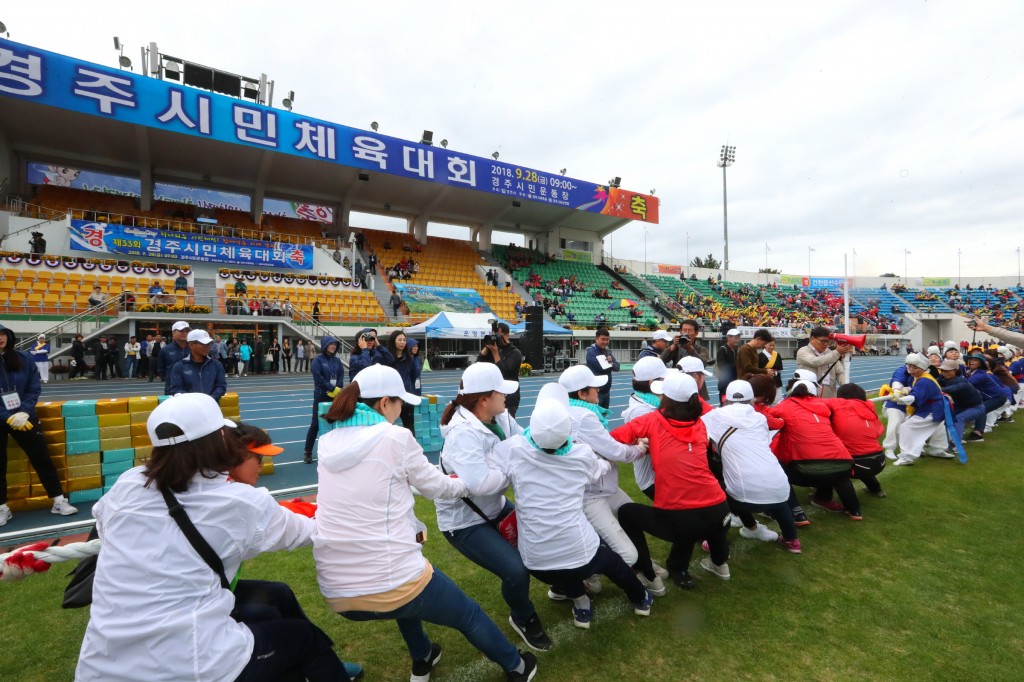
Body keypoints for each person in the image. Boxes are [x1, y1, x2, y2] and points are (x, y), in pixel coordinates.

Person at [75, 393, 350, 682]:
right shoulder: (236, 502)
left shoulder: (128, 484)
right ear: (218, 440)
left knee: (275, 595)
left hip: (101, 665)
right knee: (303, 639)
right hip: (190, 664)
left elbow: (104, 524)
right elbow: (309, 532)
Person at [316, 364, 539, 680]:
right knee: (468, 614)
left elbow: (373, 493)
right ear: (384, 403)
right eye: (399, 403)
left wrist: (412, 521)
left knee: (402, 602)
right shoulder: (395, 437)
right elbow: (437, 486)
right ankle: (517, 666)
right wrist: (465, 484)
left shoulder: (329, 442)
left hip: (339, 594)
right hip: (392, 578)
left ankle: (423, 656)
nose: (402, 409)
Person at [498, 391, 654, 629]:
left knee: (562, 568)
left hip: (536, 562)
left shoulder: (514, 449)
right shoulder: (581, 454)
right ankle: (640, 598)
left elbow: (488, 465)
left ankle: (581, 602)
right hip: (579, 551)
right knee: (611, 563)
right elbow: (598, 469)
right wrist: (609, 458)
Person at [436, 362, 553, 652]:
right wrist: (514, 467)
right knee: (515, 571)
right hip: (464, 523)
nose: (507, 397)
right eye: (501, 392)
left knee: (542, 540)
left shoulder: (499, 416)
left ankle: (565, 584)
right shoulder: (463, 434)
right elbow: (480, 484)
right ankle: (523, 618)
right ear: (484, 399)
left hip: (494, 506)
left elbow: (523, 440)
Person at [611, 372, 732, 588]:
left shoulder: (652, 420)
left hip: (681, 517)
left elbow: (613, 439)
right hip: (720, 508)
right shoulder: (701, 424)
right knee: (702, 516)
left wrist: (642, 447)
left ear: (665, 399)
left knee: (627, 512)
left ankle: (646, 571)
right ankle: (718, 562)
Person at [557, 366, 653, 595]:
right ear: (581, 393)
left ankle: (643, 567)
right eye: (593, 387)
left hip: (601, 488)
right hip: (592, 494)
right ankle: (576, 577)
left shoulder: (571, 410)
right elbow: (614, 452)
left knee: (632, 517)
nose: (598, 389)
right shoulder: (584, 416)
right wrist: (640, 449)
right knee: (627, 554)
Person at [701, 380, 802, 553]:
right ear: (751, 399)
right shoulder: (760, 418)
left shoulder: (714, 416)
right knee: (777, 500)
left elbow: (701, 437)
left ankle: (714, 541)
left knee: (720, 494)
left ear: (726, 398)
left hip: (743, 490)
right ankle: (792, 540)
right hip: (779, 486)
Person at [0, 324, 78, 526]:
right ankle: (2, 508)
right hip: (1, 418)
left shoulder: (24, 358)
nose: (0, 338)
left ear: (9, 336)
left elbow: (33, 388)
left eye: (2, 334)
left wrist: (25, 411)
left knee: (41, 457)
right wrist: (6, 416)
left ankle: (58, 500)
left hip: (25, 417)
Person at [770, 380, 861, 519]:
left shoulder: (785, 405)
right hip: (843, 465)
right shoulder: (824, 405)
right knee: (835, 469)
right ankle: (854, 510)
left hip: (806, 470)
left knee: (776, 467)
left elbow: (767, 416)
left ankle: (796, 512)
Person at [891, 353, 954, 466]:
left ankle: (907, 456)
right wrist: (906, 390)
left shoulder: (924, 380)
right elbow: (916, 389)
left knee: (906, 427)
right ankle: (936, 448)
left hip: (933, 410)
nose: (911, 370)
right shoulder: (922, 376)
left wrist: (898, 399)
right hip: (936, 408)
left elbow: (915, 397)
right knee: (935, 428)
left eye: (915, 367)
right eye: (909, 367)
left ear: (923, 367)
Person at [828, 383, 888, 497]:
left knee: (829, 466)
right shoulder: (869, 407)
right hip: (879, 460)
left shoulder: (837, 406)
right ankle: (876, 489)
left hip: (857, 464)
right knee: (861, 456)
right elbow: (878, 431)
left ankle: (824, 497)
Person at [621, 357, 669, 501]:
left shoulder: (647, 401)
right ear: (652, 383)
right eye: (663, 379)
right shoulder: (641, 411)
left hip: (660, 476)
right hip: (653, 480)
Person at [304, 336, 344, 465]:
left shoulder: (337, 361)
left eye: (334, 344)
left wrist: (337, 388)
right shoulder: (318, 360)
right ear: (325, 345)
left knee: (336, 423)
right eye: (330, 344)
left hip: (335, 396)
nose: (333, 346)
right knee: (315, 424)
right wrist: (330, 388)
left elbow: (341, 376)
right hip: (321, 395)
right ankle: (308, 451)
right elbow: (318, 377)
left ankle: (334, 451)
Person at [476, 322, 523, 416]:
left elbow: (504, 372)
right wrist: (487, 345)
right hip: (493, 396)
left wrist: (495, 353)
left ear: (507, 335)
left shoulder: (515, 353)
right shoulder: (494, 350)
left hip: (509, 398)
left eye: (498, 335)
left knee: (506, 428)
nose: (496, 337)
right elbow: (479, 364)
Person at [167, 330, 228, 402]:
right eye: (204, 344)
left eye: (209, 344)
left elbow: (221, 386)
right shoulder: (179, 366)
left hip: (212, 408)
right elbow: (176, 389)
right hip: (189, 409)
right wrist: (195, 402)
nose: (208, 347)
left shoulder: (217, 365)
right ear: (191, 345)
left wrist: (210, 399)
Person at [795, 326, 853, 398]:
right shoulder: (803, 351)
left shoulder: (830, 352)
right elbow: (815, 362)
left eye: (827, 341)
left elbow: (839, 372)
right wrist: (837, 352)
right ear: (812, 339)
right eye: (823, 341)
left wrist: (846, 387)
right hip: (809, 397)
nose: (825, 344)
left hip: (829, 397)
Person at [387, 330, 420, 433]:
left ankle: (411, 448)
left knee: (409, 426)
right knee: (389, 426)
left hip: (406, 397)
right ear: (393, 341)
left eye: (404, 340)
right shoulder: (387, 358)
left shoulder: (410, 358)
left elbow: (414, 376)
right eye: (399, 340)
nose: (402, 342)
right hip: (390, 398)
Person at [586, 328, 620, 409]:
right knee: (595, 417)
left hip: (606, 391)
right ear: (596, 339)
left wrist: (610, 363)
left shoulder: (607, 351)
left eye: (607, 339)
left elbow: (617, 367)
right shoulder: (591, 352)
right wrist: (611, 365)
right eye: (603, 339)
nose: (605, 342)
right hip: (596, 392)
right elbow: (602, 369)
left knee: (604, 417)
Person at [156, 321, 190, 392]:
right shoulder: (165, 350)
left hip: (191, 388)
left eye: (187, 331)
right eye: (181, 331)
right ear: (173, 333)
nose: (185, 333)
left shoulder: (194, 348)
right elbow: (161, 370)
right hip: (172, 389)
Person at [714, 329, 742, 405]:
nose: (737, 340)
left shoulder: (736, 349)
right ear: (728, 338)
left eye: (738, 338)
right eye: (735, 338)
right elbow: (722, 366)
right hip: (725, 382)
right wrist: (737, 366)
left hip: (734, 381)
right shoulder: (723, 349)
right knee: (724, 404)